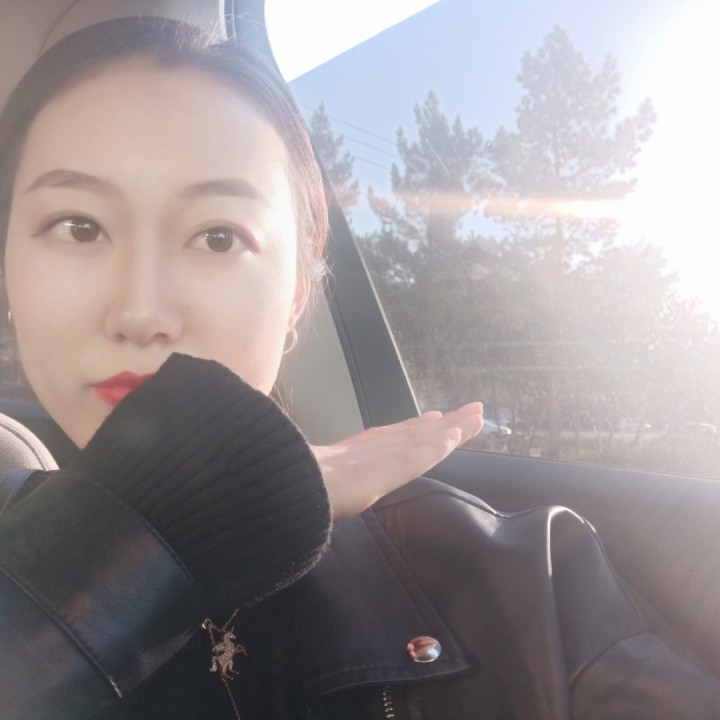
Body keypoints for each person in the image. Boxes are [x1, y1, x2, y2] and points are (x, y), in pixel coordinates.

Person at [0, 16, 718, 720]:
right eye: (78, 226)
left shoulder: (526, 584)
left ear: (297, 293)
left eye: (218, 236)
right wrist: (130, 551)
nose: (140, 310)